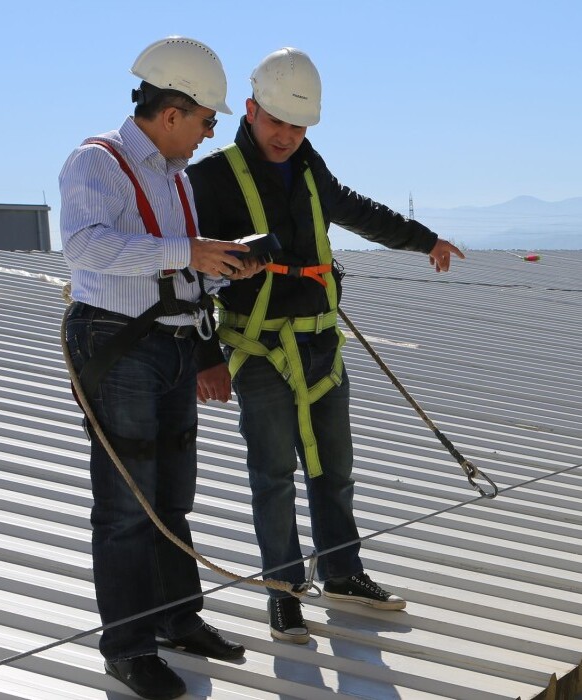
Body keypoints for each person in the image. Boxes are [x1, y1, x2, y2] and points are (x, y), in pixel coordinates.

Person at [187, 47, 465, 645]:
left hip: (319, 342)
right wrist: (205, 357)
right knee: (272, 473)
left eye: (299, 126)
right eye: (277, 122)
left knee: (333, 468)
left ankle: (342, 573)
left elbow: (359, 212)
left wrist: (426, 241)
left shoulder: (312, 170)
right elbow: (185, 275)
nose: (287, 136)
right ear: (252, 110)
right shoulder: (209, 178)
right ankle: (284, 594)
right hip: (256, 347)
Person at [59, 37, 257, 700]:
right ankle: (128, 648)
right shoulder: (96, 162)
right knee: (125, 507)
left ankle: (177, 619)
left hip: (170, 345)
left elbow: (176, 264)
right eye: (207, 121)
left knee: (171, 498)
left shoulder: (173, 178)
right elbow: (85, 246)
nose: (209, 134)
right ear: (172, 113)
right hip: (119, 345)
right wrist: (188, 251)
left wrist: (216, 273)